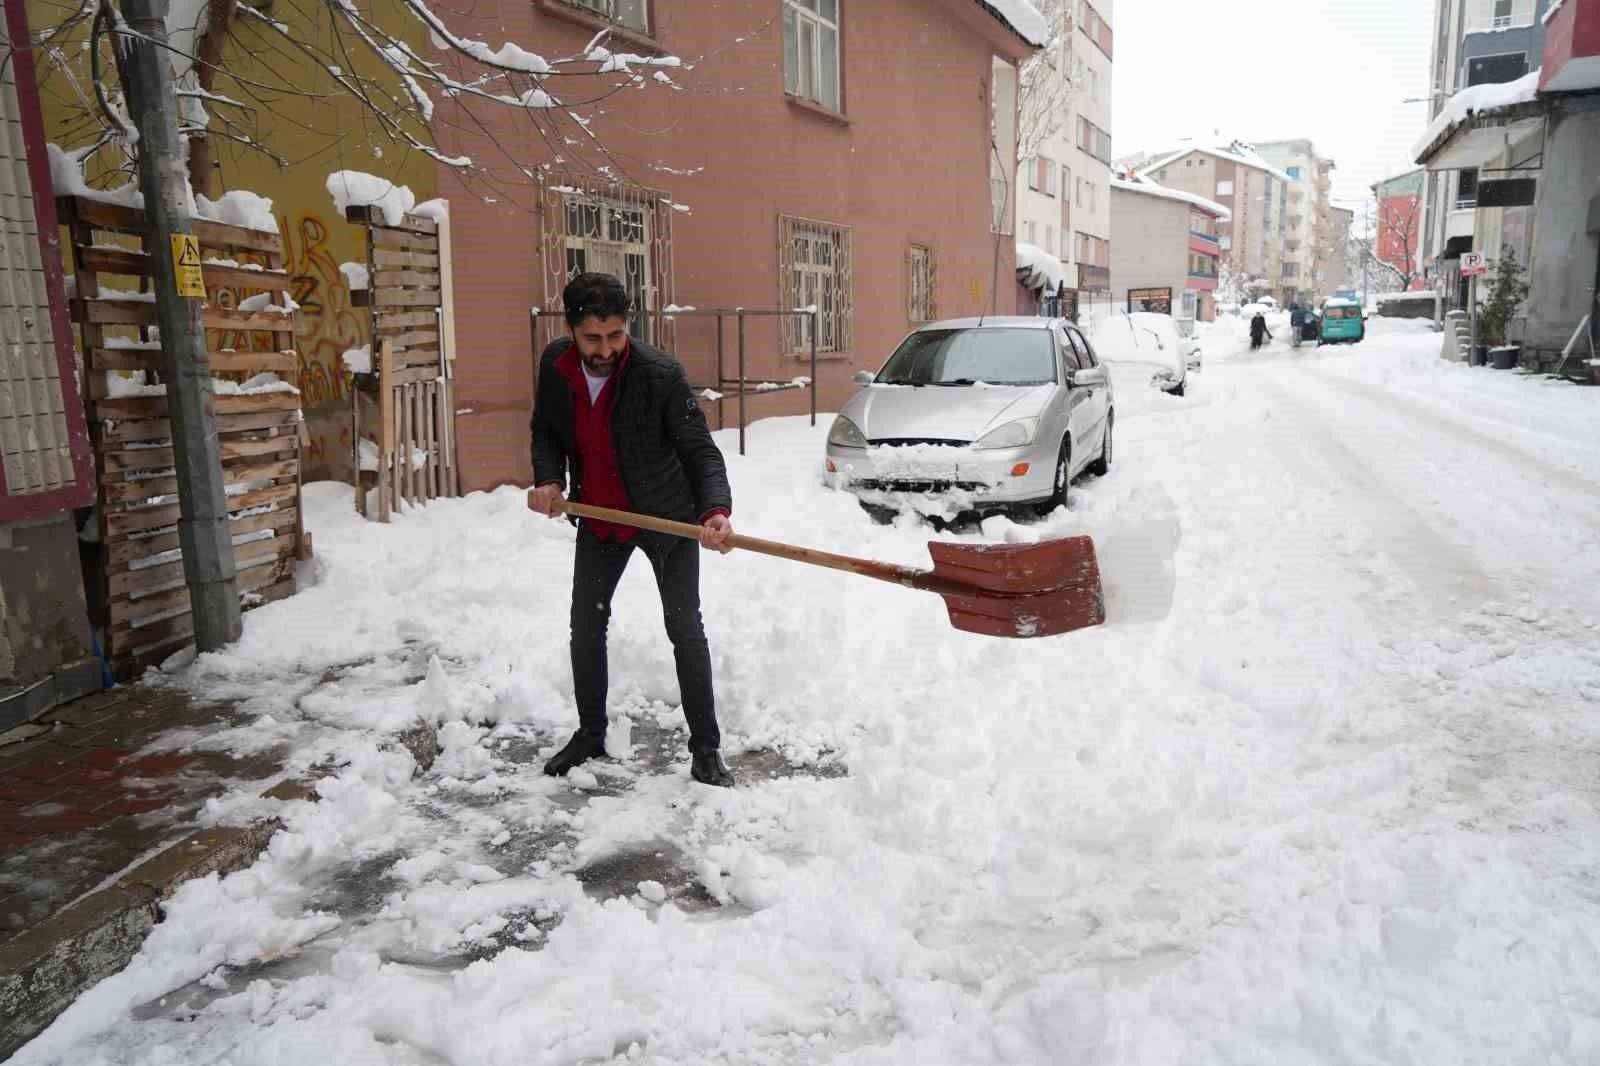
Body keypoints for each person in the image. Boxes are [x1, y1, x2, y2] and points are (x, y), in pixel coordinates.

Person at [528, 272, 737, 788]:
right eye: (593, 338)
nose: (606, 350)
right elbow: (547, 431)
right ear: (572, 330)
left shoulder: (658, 374)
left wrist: (714, 510)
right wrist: (550, 480)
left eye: (616, 336)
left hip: (666, 518)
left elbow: (699, 450)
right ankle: (590, 733)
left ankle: (706, 748)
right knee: (586, 626)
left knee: (685, 630)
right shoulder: (556, 366)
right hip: (601, 516)